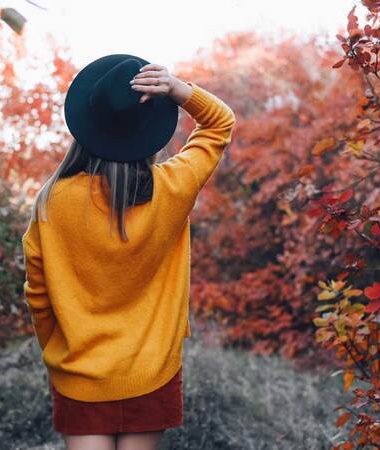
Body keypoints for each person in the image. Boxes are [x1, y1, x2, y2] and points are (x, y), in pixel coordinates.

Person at [21, 53, 236, 450]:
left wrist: (60, 352)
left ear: (87, 124)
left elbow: (38, 295)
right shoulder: (173, 187)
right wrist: (177, 89)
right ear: (149, 129)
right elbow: (220, 123)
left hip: (79, 373)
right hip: (151, 371)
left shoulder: (52, 202)